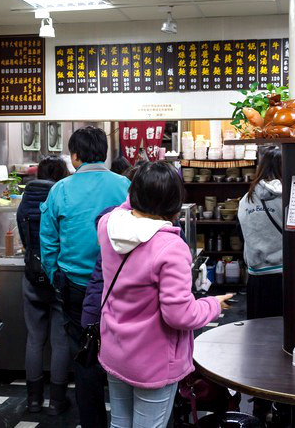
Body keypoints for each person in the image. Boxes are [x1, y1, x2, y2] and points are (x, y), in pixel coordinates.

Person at [97, 162, 233, 428]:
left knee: (119, 423)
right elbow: (179, 315)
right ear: (174, 202)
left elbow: (127, 206)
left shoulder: (107, 226)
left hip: (114, 348)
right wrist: (212, 305)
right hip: (153, 361)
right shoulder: (170, 247)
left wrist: (141, 191)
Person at [40, 126, 130, 428]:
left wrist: (56, 277)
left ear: (75, 155)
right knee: (124, 347)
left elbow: (48, 242)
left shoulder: (60, 190)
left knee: (85, 353)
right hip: (119, 284)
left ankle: (93, 423)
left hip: (76, 287)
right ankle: (126, 417)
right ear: (103, 153)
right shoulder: (125, 185)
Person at [16, 156, 72, 415]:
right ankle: (57, 402)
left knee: (34, 339)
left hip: (31, 275)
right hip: (59, 276)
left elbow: (24, 235)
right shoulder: (62, 196)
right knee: (60, 341)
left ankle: (33, 401)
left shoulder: (27, 198)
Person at [238, 146, 283, 319]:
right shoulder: (289, 197)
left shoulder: (245, 200)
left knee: (258, 333)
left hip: (256, 278)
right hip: (284, 275)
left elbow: (242, 235)